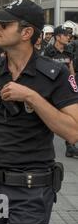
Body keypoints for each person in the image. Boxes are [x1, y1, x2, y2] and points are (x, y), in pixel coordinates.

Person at [0, 0, 78, 224]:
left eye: (4, 24)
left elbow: (73, 132)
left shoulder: (55, 73)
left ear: (26, 32)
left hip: (32, 190)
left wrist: (32, 97)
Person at [43, 26, 77, 158]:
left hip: (65, 89)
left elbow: (71, 69)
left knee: (69, 117)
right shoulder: (48, 52)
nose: (68, 37)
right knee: (48, 116)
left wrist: (74, 86)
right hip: (51, 88)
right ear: (57, 37)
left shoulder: (69, 51)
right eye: (65, 35)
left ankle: (70, 146)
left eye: (69, 35)